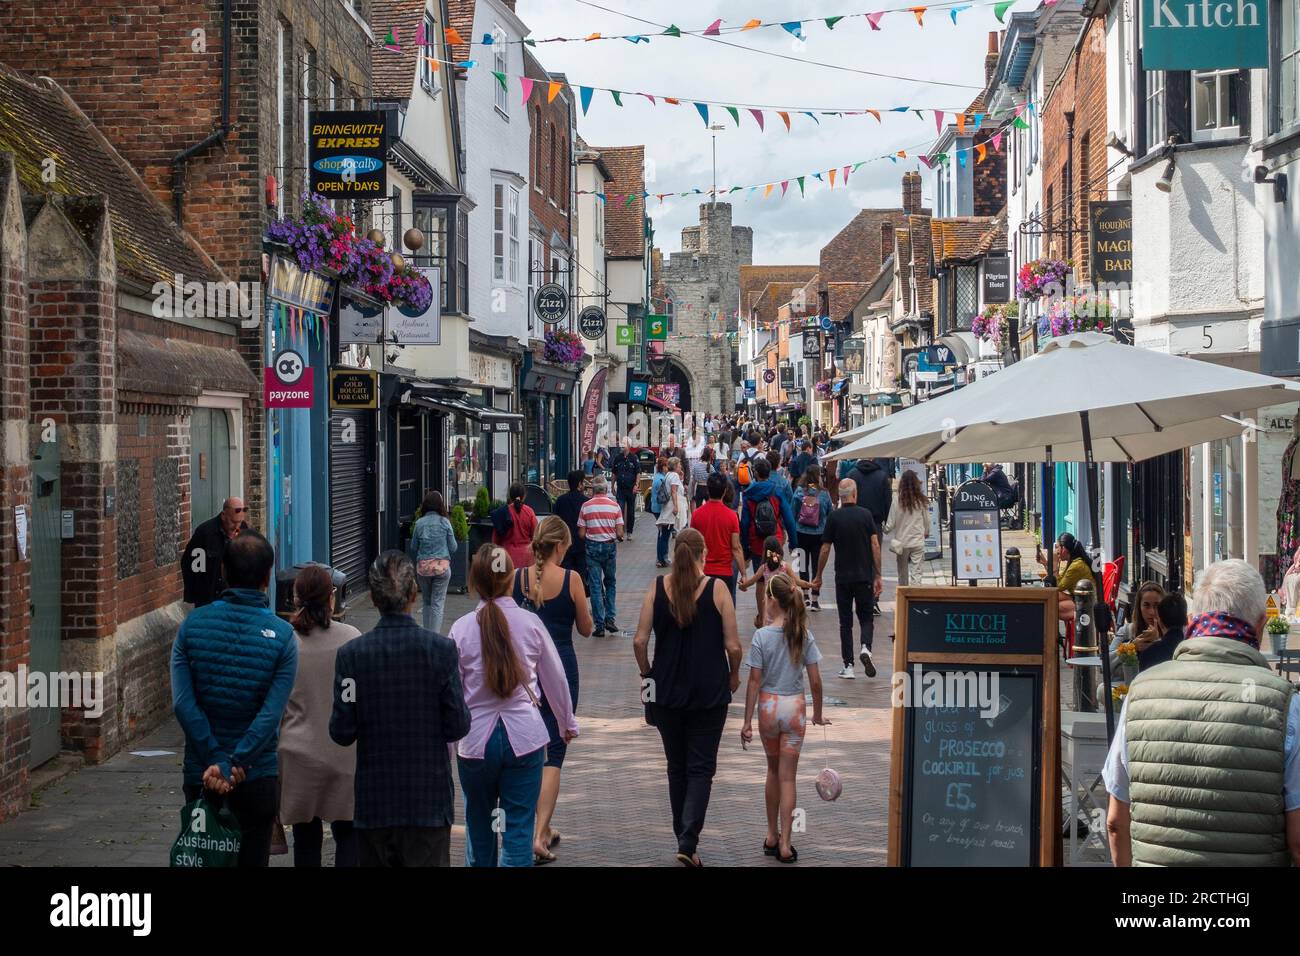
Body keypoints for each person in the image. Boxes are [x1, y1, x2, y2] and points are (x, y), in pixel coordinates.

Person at [1103, 559, 1300, 866]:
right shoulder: (1285, 705)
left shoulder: (1140, 694)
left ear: (1193, 619)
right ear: (1260, 626)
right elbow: (1298, 839)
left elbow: (1116, 822)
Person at [329, 551, 471, 866]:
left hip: (376, 802)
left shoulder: (353, 655)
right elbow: (458, 724)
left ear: (375, 600)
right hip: (427, 802)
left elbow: (341, 731)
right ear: (413, 594)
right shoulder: (440, 651)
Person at [449, 545, 579, 867]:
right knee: (518, 830)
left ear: (474, 583)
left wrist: (448, 746)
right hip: (525, 739)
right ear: (510, 580)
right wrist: (566, 723)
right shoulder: (531, 623)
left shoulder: (460, 629)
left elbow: (451, 695)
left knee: (479, 828)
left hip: (475, 742)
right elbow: (556, 680)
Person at [172, 530, 297, 867]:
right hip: (255, 774)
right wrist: (235, 764)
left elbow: (183, 704)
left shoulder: (191, 626)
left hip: (202, 773)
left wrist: (216, 762)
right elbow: (271, 715)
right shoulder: (284, 637)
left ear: (224, 573)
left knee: (204, 859)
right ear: (268, 577)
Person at [632, 529, 743, 867]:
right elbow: (734, 646)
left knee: (676, 767)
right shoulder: (717, 589)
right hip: (709, 692)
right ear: (702, 554)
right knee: (701, 768)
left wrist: (648, 672)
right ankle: (688, 838)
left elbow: (638, 641)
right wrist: (734, 673)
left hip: (665, 692)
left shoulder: (656, 588)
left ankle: (683, 836)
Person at [512, 517, 593, 864]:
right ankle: (539, 832)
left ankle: (537, 827)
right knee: (554, 754)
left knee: (529, 749)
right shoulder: (572, 580)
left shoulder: (516, 579)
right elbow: (587, 629)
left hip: (525, 670)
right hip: (560, 666)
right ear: (560, 545)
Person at [279, 564, 362, 867]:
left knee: (305, 840)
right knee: (348, 835)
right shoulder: (352, 638)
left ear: (295, 598)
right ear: (332, 598)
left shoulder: (286, 641)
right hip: (345, 754)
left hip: (298, 753)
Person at [740, 573, 826, 863]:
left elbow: (754, 681)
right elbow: (815, 681)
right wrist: (818, 713)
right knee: (789, 777)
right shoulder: (803, 634)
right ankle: (787, 844)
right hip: (794, 709)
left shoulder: (761, 637)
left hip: (768, 707)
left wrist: (747, 721)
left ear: (772, 601)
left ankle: (770, 834)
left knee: (772, 772)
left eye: (765, 597)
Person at [813, 479, 882, 680]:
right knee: (866, 617)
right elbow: (875, 545)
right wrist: (877, 573)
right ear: (855, 494)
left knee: (845, 622)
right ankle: (866, 648)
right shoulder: (866, 515)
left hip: (842, 577)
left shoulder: (834, 518)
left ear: (841, 497)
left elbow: (825, 548)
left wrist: (818, 575)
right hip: (864, 576)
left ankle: (849, 665)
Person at [180, 496, 250, 607]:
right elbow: (190, 564)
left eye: (240, 522)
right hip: (210, 600)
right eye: (233, 522)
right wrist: (197, 594)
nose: (237, 526)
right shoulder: (205, 533)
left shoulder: (244, 530)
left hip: (235, 598)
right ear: (223, 515)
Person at [578, 477, 624, 637]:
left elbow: (582, 533)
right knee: (610, 582)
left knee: (595, 586)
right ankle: (610, 618)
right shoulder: (615, 506)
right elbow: (619, 533)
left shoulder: (586, 506)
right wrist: (619, 536)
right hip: (610, 547)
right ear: (605, 489)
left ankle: (599, 624)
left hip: (592, 547)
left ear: (593, 490)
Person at [407, 490, 457, 635]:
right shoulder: (445, 522)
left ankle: (426, 634)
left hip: (423, 569)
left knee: (427, 601)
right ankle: (434, 636)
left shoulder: (419, 523)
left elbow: (413, 546)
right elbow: (453, 547)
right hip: (442, 569)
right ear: (440, 505)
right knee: (437, 603)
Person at [739, 535, 814, 628]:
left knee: (768, 624)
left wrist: (743, 585)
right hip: (783, 599)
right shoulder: (785, 566)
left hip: (769, 601)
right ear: (779, 549)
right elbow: (798, 582)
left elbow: (752, 581)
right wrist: (811, 585)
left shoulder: (764, 568)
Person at [739, 457, 800, 573]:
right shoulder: (777, 491)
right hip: (775, 539)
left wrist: (745, 545)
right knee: (775, 575)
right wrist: (793, 543)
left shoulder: (748, 494)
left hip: (756, 542)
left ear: (755, 473)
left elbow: (745, 523)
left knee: (761, 579)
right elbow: (789, 520)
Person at [691, 471, 744, 600]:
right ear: (725, 491)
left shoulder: (697, 514)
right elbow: (736, 547)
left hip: (702, 572)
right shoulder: (732, 516)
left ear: (708, 490)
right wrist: (744, 574)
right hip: (725, 572)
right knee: (724, 610)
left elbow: (692, 545)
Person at [794, 465, 834, 612]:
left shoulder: (799, 491)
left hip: (801, 533)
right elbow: (830, 513)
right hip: (819, 535)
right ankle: (816, 599)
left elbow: (793, 513)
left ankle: (805, 597)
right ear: (818, 477)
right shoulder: (824, 494)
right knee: (817, 568)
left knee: (803, 565)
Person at [1106, 582, 1165, 673]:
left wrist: (1157, 643)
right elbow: (1106, 662)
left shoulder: (1169, 633)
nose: (1152, 612)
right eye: (1146, 605)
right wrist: (1132, 647)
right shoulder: (1127, 631)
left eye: (1156, 606)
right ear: (1139, 607)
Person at [885, 470, 931, 587]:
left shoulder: (897, 499)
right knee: (917, 574)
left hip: (902, 543)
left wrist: (884, 529)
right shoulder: (921, 500)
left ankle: (904, 599)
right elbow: (927, 520)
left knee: (902, 575)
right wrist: (926, 532)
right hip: (917, 541)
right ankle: (915, 600)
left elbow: (890, 523)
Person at [552, 470, 589, 582]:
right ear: (579, 484)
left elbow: (555, 521)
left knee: (565, 578)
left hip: (564, 544)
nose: (585, 485)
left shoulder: (560, 501)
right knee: (581, 577)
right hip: (581, 545)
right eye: (583, 482)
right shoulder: (586, 502)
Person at [494, 482, 538, 572]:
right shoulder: (529, 512)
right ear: (524, 496)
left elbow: (495, 539)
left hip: (506, 557)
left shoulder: (502, 513)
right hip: (527, 558)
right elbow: (536, 536)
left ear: (510, 495)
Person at [655, 456, 687, 568]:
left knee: (663, 534)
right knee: (665, 534)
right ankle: (662, 558)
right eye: (679, 465)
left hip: (666, 508)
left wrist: (681, 477)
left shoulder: (669, 475)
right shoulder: (674, 476)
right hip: (670, 509)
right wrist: (676, 507)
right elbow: (674, 492)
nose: (680, 467)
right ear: (675, 466)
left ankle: (661, 558)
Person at [610, 441, 642, 541]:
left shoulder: (634, 458)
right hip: (620, 489)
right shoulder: (617, 458)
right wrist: (612, 486)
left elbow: (638, 473)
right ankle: (619, 532)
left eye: (624, 445)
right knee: (619, 510)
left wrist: (636, 485)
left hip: (631, 489)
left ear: (628, 446)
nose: (621, 446)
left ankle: (629, 532)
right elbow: (614, 473)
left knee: (631, 511)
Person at [689, 447, 713, 512]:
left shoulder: (696, 466)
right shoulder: (711, 467)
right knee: (710, 509)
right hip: (708, 489)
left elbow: (693, 481)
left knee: (698, 508)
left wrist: (692, 493)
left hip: (699, 488)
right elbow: (713, 479)